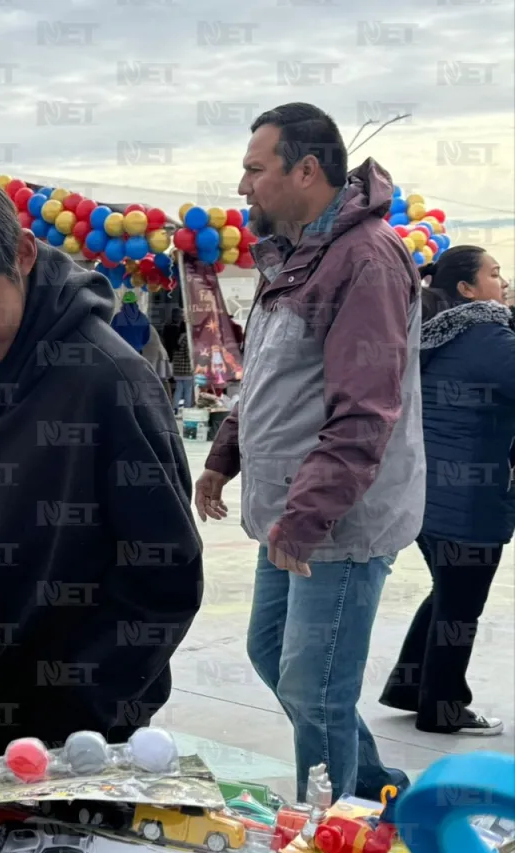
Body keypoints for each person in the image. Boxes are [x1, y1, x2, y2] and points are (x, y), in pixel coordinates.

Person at [0, 158, 203, 755]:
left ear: (23, 254)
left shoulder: (108, 380)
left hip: (76, 735)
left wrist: (80, 718)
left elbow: (165, 575)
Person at [196, 102, 422, 800]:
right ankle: (379, 787)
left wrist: (308, 516)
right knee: (272, 653)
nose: (242, 187)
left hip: (337, 520)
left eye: (254, 169)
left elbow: (365, 410)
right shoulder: (297, 254)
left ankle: (328, 827)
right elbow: (269, 371)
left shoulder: (366, 260)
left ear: (306, 170)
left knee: (315, 688)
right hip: (289, 509)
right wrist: (222, 455)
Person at [380, 247, 513, 735]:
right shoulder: (488, 336)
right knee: (461, 606)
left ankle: (410, 687)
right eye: (495, 274)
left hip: (428, 491)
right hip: (470, 498)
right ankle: (443, 707)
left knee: (447, 593)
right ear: (467, 290)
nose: (503, 282)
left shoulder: (434, 334)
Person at [171, 327, 195, 414]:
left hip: (177, 371)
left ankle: (174, 408)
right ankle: (187, 410)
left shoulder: (177, 338)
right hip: (186, 370)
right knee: (188, 391)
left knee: (178, 390)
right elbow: (188, 355)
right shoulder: (187, 339)